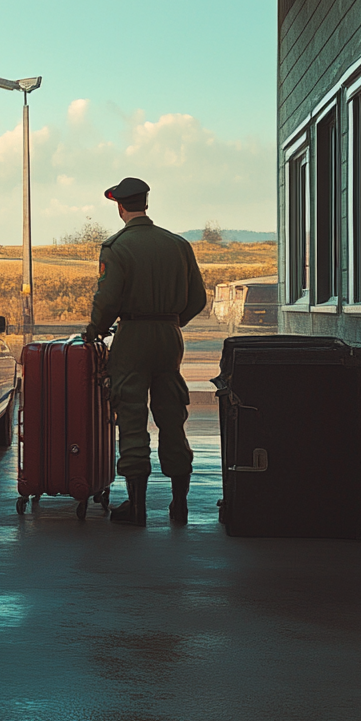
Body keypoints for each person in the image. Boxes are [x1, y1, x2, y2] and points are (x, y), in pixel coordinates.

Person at [84, 178, 206, 526]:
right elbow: (197, 299)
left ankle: (136, 507)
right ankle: (179, 504)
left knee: (132, 416)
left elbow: (107, 301)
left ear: (120, 206)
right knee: (172, 415)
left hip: (133, 336)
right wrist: (170, 320)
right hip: (169, 336)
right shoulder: (178, 244)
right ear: (146, 203)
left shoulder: (117, 247)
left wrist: (94, 331)